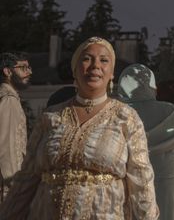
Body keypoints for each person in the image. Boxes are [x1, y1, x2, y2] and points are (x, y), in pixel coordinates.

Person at [0, 37, 159, 219]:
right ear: (75, 69)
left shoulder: (126, 118)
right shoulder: (50, 117)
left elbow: (142, 184)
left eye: (103, 60)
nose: (95, 66)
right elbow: (26, 181)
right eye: (87, 58)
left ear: (112, 73)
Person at [117, 64, 174, 220]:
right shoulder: (170, 113)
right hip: (167, 194)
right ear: (154, 88)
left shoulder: (113, 115)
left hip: (124, 190)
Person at [0, 52, 31, 204]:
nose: (29, 72)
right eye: (23, 67)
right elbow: (6, 147)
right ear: (8, 71)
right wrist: (14, 186)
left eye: (29, 67)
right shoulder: (9, 100)